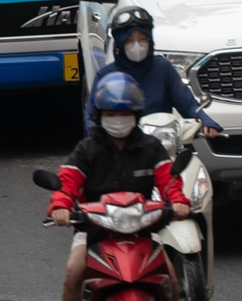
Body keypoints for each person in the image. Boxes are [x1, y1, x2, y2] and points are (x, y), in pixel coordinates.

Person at [48, 72, 190, 301]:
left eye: (124, 113)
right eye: (110, 113)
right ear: (100, 115)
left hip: (143, 230)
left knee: (171, 280)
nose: (118, 119)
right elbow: (68, 180)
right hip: (93, 231)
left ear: (135, 114)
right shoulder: (87, 149)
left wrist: (178, 202)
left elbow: (168, 180)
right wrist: (61, 206)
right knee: (73, 274)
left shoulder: (151, 147)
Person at [86, 6, 221, 135]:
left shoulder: (162, 68)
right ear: (120, 44)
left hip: (161, 144)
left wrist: (205, 120)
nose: (137, 45)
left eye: (142, 39)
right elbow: (92, 117)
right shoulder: (106, 76)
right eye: (129, 40)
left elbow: (187, 104)